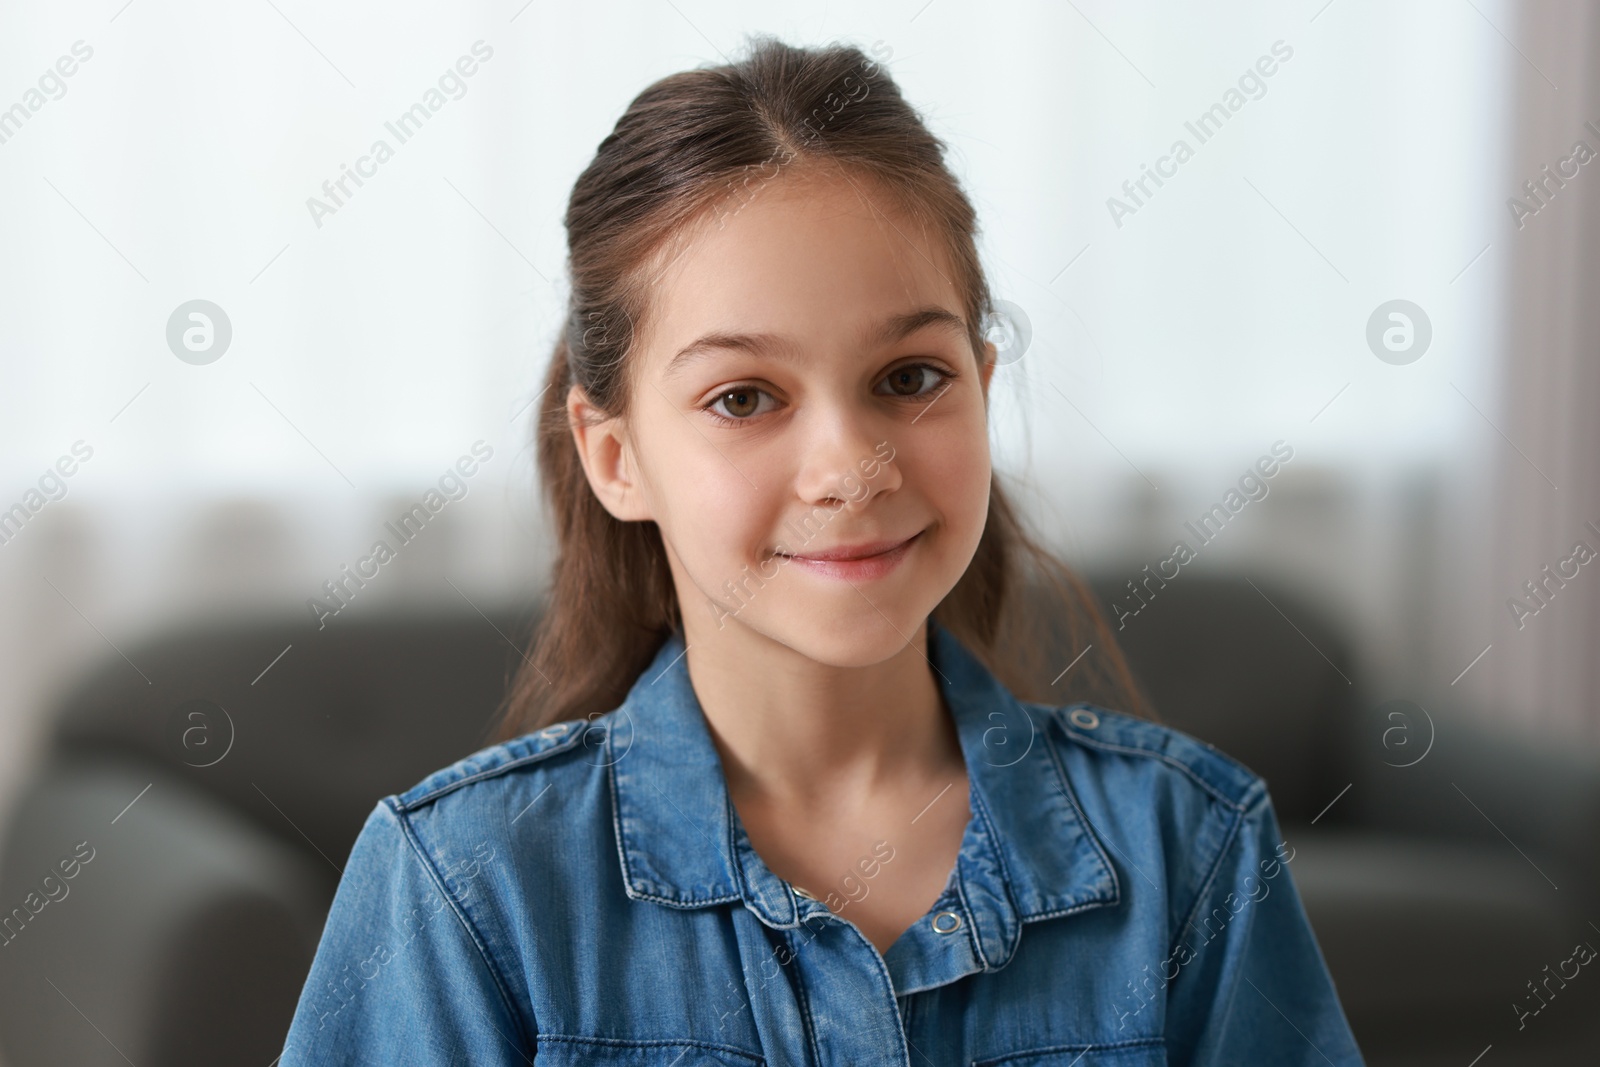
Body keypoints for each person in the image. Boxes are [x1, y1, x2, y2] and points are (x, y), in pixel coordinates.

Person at [279, 34, 1364, 1066]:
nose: (850, 467)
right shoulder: (465, 883)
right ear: (616, 457)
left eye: (909, 378)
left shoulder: (1191, 846)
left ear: (984, 391)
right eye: (743, 397)